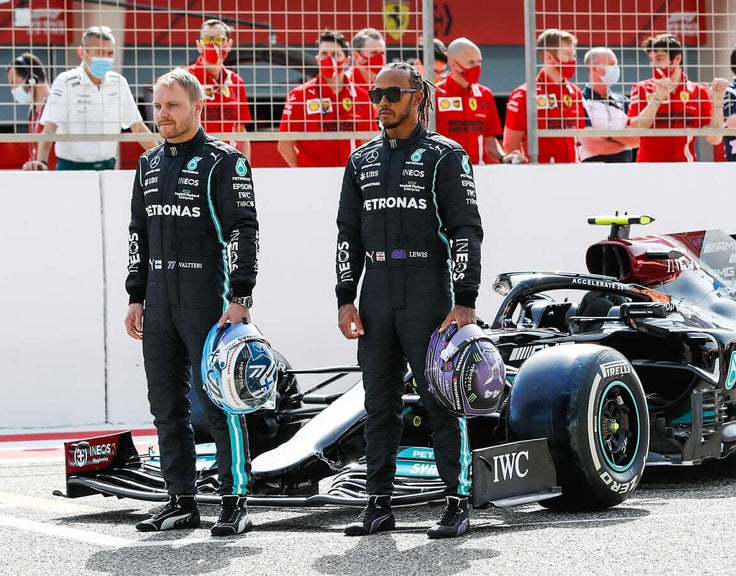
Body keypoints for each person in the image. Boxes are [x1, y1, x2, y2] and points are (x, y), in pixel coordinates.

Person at [336, 62, 482, 539]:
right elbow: (347, 235)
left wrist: (464, 301)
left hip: (428, 290)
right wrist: (345, 298)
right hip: (375, 291)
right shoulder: (360, 160)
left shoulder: (446, 155)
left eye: (393, 94)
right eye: (376, 94)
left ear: (418, 98)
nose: (382, 102)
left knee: (442, 401)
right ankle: (378, 505)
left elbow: (466, 231)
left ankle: (457, 502)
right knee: (379, 406)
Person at [125, 68, 258, 536]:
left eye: (172, 105)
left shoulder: (225, 161)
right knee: (166, 407)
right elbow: (138, 233)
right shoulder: (149, 164)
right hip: (158, 298)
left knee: (219, 403)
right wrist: (135, 296)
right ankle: (180, 500)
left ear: (197, 107)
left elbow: (244, 230)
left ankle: (234, 501)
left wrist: (241, 296)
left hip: (209, 298)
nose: (162, 114)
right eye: (157, 106)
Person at [30, 25, 156, 171]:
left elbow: (138, 127)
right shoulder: (65, 82)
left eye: (110, 53)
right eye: (99, 53)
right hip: (71, 169)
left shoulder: (118, 82)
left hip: (108, 168)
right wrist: (42, 162)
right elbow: (50, 128)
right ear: (82, 53)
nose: (105, 58)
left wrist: (161, 156)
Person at [277, 30, 376, 167]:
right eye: (324, 54)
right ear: (318, 59)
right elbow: (284, 145)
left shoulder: (361, 96)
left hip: (351, 177)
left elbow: (368, 142)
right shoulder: (299, 96)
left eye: (335, 54)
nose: (329, 59)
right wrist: (302, 173)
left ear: (346, 61)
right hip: (314, 179)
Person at [626, 33, 727, 162]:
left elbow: (715, 139)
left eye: (659, 59)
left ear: (677, 59)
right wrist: (657, 100)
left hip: (685, 168)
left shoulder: (698, 91)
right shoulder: (641, 88)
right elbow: (635, 129)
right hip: (649, 168)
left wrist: (717, 103)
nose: (654, 65)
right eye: (651, 60)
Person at [435, 37, 524, 164]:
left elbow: (490, 141)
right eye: (471, 62)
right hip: (444, 174)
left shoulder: (485, 94)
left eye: (479, 62)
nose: (476, 67)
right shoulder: (435, 95)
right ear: (453, 64)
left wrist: (503, 157)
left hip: (478, 173)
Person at [504, 28, 586, 163]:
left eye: (574, 55)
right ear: (549, 57)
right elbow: (510, 145)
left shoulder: (575, 92)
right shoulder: (524, 94)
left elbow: (579, 138)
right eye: (567, 54)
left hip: (573, 172)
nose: (572, 60)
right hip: (540, 175)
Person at [185, 19, 252, 158]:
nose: (212, 45)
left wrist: (246, 167)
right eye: (206, 40)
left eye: (218, 40)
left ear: (228, 45)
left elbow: (241, 130)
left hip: (228, 158)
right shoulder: (185, 79)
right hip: (194, 158)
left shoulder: (236, 81)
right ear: (198, 45)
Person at [578, 47, 638, 163]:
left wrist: (607, 135)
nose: (616, 69)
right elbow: (592, 145)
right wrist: (625, 142)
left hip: (624, 171)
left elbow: (637, 139)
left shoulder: (624, 101)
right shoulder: (580, 101)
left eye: (616, 64)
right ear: (595, 68)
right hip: (592, 173)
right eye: (611, 64)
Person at [7, 53, 53, 169]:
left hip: (57, 178)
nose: (13, 90)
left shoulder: (54, 104)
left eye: (14, 83)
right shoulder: (32, 112)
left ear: (31, 79)